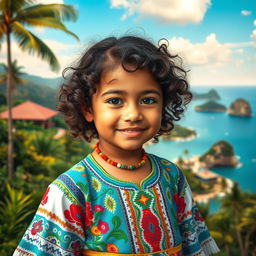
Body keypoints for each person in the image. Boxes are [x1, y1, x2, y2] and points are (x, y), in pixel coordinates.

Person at [13, 36, 220, 256]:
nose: (133, 114)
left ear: (164, 104)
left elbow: (192, 248)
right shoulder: (71, 191)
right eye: (115, 101)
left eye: (148, 100)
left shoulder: (173, 177)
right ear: (87, 109)